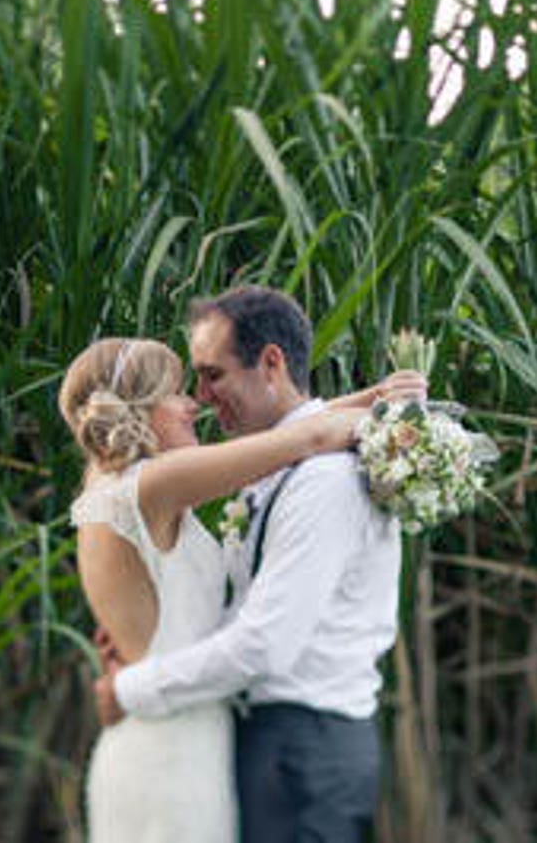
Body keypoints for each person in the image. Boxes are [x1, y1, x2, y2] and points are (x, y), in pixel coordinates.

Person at [59, 334, 419, 842]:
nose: (191, 405)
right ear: (138, 411)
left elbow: (285, 438)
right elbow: (303, 442)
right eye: (175, 393)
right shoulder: (150, 486)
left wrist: (375, 395)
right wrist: (404, 430)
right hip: (174, 754)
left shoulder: (115, 489)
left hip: (168, 734)